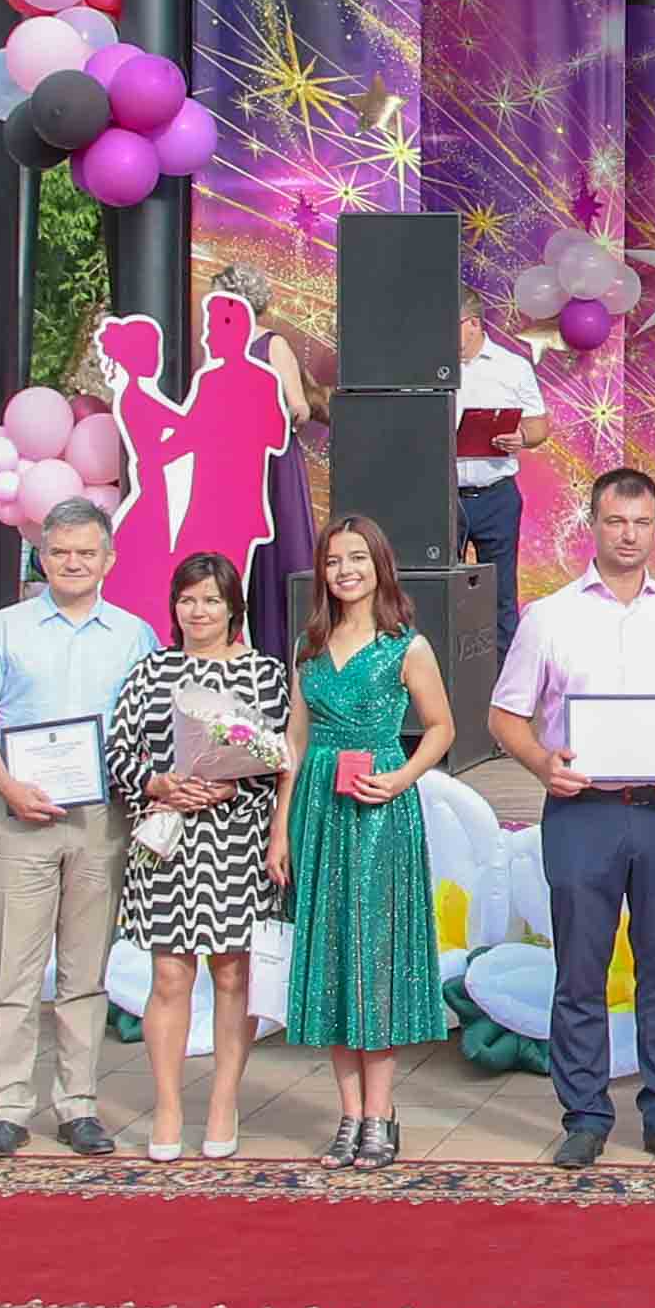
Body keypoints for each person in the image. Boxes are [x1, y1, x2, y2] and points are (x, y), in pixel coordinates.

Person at [490, 464, 655, 1170]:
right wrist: (543, 763)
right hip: (581, 810)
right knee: (581, 968)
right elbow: (504, 716)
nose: (628, 535)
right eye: (615, 521)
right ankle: (585, 1115)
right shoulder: (550, 617)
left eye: (641, 522)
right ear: (591, 524)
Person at [0, 495, 153, 1161]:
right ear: (41, 556)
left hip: (100, 818)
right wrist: (8, 785)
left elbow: (150, 725)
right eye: (60, 551)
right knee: (13, 970)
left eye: (86, 552)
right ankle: (9, 1107)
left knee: (85, 973)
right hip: (20, 815)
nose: (73, 563)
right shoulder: (4, 629)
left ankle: (78, 1104)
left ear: (108, 560)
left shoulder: (135, 636)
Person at [283, 513, 453, 1167]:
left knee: (374, 959)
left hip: (380, 812)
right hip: (320, 809)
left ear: (379, 565)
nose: (345, 571)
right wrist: (280, 827)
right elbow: (294, 741)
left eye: (356, 558)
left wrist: (401, 777)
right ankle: (349, 1113)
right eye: (333, 561)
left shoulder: (405, 646)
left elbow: (440, 727)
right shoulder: (308, 646)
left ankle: (380, 1114)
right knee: (332, 957)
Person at [110, 551, 290, 1161]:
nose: (199, 611)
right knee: (169, 975)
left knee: (233, 974)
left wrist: (233, 786)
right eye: (188, 599)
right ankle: (166, 1106)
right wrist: (158, 783)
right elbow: (119, 753)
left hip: (237, 840)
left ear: (233, 607)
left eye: (211, 599)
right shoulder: (151, 671)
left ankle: (222, 1102)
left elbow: (282, 762)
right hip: (169, 839)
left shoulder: (263, 674)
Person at [228, 271, 327, 660]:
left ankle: (289, 656)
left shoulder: (272, 344)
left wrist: (263, 418)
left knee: (279, 554)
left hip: (272, 461)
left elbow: (300, 407)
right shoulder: (220, 348)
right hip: (234, 463)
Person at [453, 314, 543, 649]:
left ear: (473, 323)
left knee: (501, 596)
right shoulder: (427, 366)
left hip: (496, 497)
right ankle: (441, 672)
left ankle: (504, 675)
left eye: (451, 322)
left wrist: (521, 436)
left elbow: (539, 426)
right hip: (442, 498)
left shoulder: (513, 366)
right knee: (441, 590)